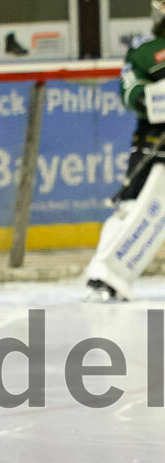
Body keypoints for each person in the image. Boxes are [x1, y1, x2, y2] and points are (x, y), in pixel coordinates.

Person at [85, 0, 165, 302]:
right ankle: (105, 275)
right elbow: (131, 92)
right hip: (155, 145)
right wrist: (158, 98)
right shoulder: (146, 50)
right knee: (135, 209)